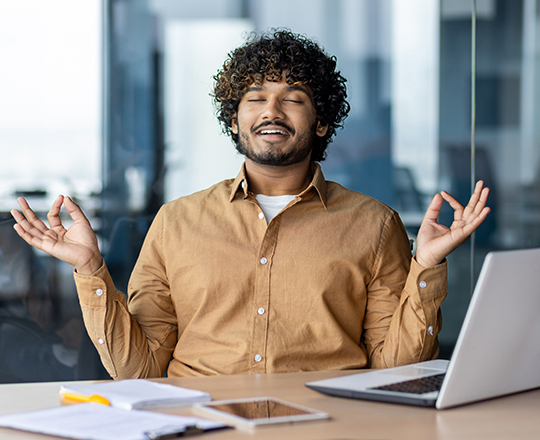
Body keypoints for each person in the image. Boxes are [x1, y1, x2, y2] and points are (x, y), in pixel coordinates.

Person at [11, 30, 490, 379]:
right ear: (235, 121)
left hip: (329, 426)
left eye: (293, 99)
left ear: (320, 123)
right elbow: (139, 371)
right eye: (255, 98)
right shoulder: (177, 222)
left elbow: (394, 369)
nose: (271, 111)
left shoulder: (373, 223)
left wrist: (426, 264)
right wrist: (90, 268)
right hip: (198, 422)